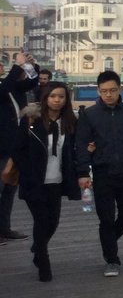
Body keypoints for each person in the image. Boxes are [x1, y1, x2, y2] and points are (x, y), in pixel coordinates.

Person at [76, 71, 123, 277]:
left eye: (113, 90)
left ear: (120, 90)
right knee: (106, 218)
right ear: (98, 91)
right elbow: (82, 145)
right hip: (103, 173)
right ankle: (112, 259)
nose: (109, 95)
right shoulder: (89, 115)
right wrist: (83, 172)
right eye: (104, 91)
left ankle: (108, 241)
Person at [16, 81, 80, 281]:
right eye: (53, 96)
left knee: (53, 222)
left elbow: (73, 149)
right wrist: (28, 170)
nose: (57, 100)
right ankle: (43, 264)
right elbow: (18, 149)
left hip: (56, 181)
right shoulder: (31, 119)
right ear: (45, 98)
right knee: (42, 221)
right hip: (34, 181)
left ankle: (38, 247)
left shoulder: (69, 122)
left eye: (61, 96)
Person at [1, 51, 41, 241]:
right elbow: (6, 87)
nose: (2, 66)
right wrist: (17, 66)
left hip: (15, 145)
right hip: (1, 147)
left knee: (9, 187)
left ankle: (4, 228)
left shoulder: (10, 86)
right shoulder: (5, 87)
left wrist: (31, 67)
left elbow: (31, 83)